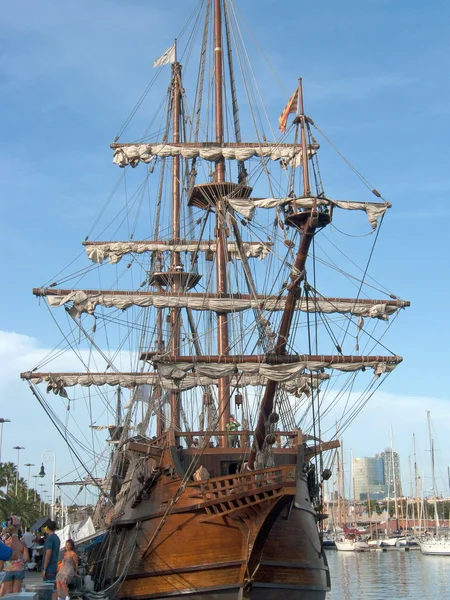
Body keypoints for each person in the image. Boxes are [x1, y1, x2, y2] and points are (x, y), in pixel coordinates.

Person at [0, 523, 30, 597]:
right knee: (16, 592)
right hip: (19, 568)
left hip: (7, 569)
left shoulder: (5, 543)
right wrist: (21, 562)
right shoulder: (22, 544)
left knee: (8, 592)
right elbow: (27, 558)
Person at [42, 520, 61, 600]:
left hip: (49, 568)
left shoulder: (50, 539)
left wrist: (44, 568)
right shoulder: (57, 538)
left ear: (47, 528)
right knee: (54, 589)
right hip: (54, 566)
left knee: (48, 589)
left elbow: (48, 554)